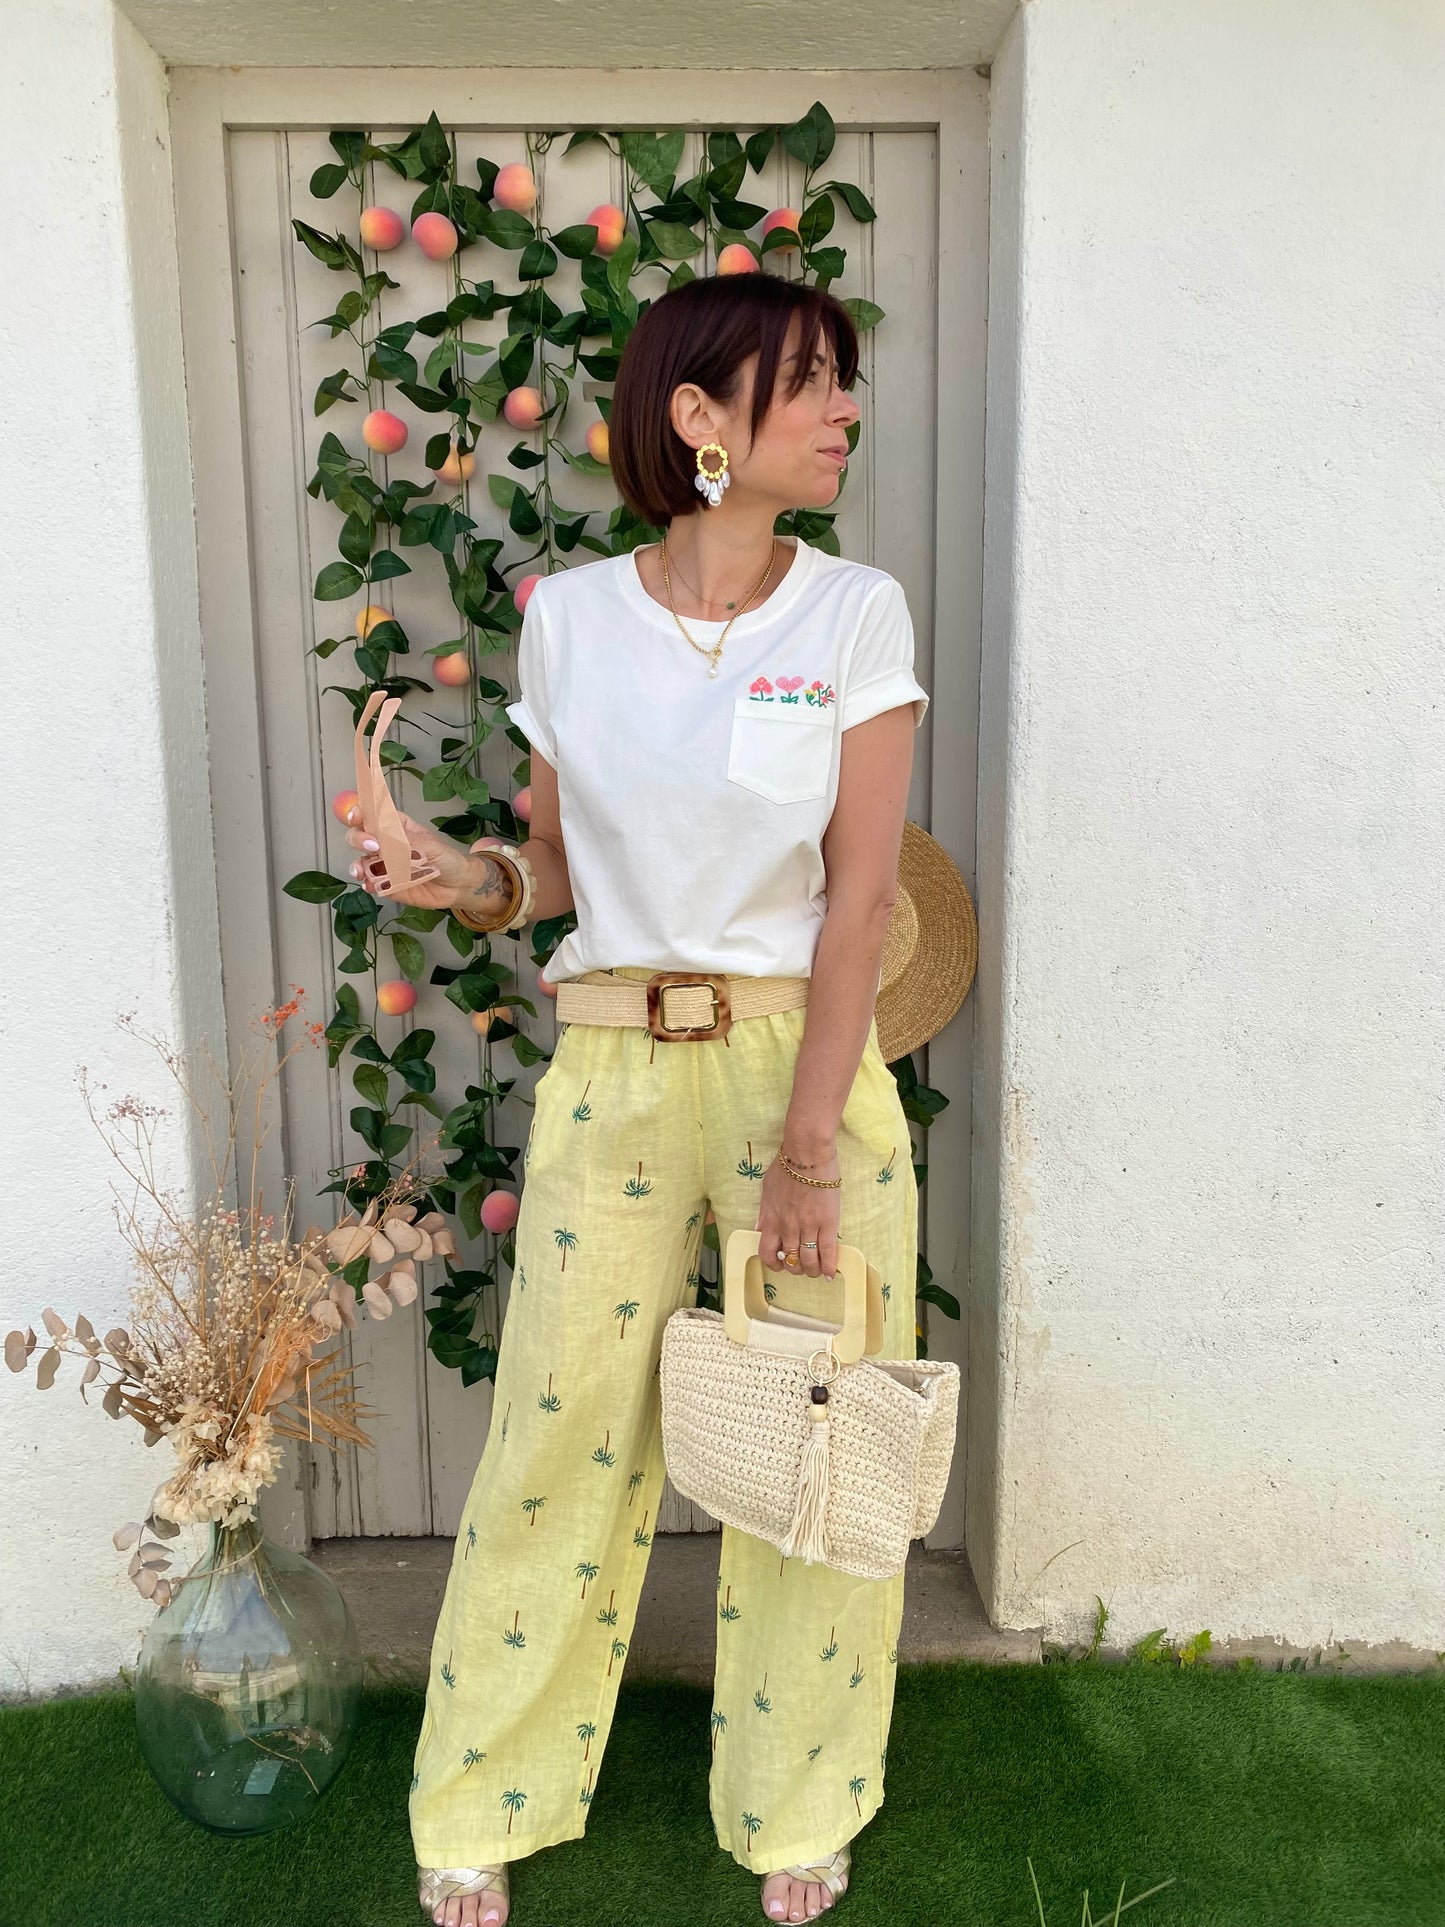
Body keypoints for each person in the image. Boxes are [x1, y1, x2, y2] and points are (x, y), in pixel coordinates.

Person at [344, 271, 930, 1927]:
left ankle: (798, 1796)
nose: (843, 410)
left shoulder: (854, 614)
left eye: (842, 382)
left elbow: (859, 900)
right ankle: (485, 1790)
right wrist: (454, 873)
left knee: (815, 1440)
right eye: (808, 382)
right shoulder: (574, 620)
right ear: (697, 417)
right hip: (609, 1065)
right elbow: (544, 870)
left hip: (796, 1071)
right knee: (557, 1433)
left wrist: (807, 1146)